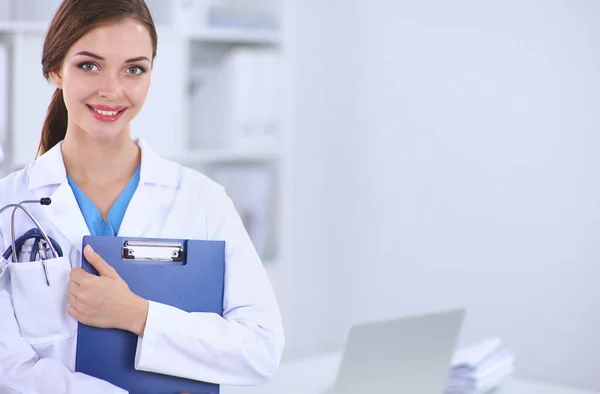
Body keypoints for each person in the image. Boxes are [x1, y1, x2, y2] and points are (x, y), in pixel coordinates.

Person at [0, 0, 285, 392]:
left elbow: (260, 349)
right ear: (56, 70)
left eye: (134, 69)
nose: (112, 90)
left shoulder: (202, 200)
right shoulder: (8, 205)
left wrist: (139, 315)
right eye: (89, 65)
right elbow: (8, 367)